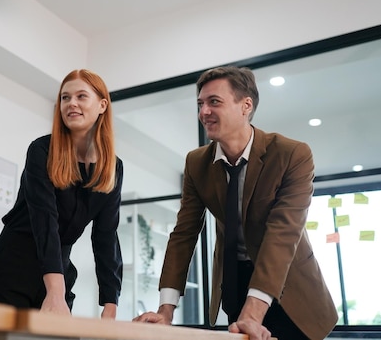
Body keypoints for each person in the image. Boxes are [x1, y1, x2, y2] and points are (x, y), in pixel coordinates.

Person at [133, 66, 337, 340]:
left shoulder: (291, 154)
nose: (203, 112)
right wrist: (165, 311)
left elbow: (283, 234)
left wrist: (252, 314)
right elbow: (183, 235)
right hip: (235, 286)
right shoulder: (197, 163)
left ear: (246, 106)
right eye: (200, 104)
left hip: (290, 287)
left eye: (214, 102)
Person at [0, 69, 123, 318]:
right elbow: (45, 221)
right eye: (65, 98)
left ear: (102, 105)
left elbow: (106, 236)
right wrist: (55, 293)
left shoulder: (113, 167)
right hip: (13, 267)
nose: (71, 104)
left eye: (81, 96)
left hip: (61, 271)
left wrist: (110, 304)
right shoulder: (42, 150)